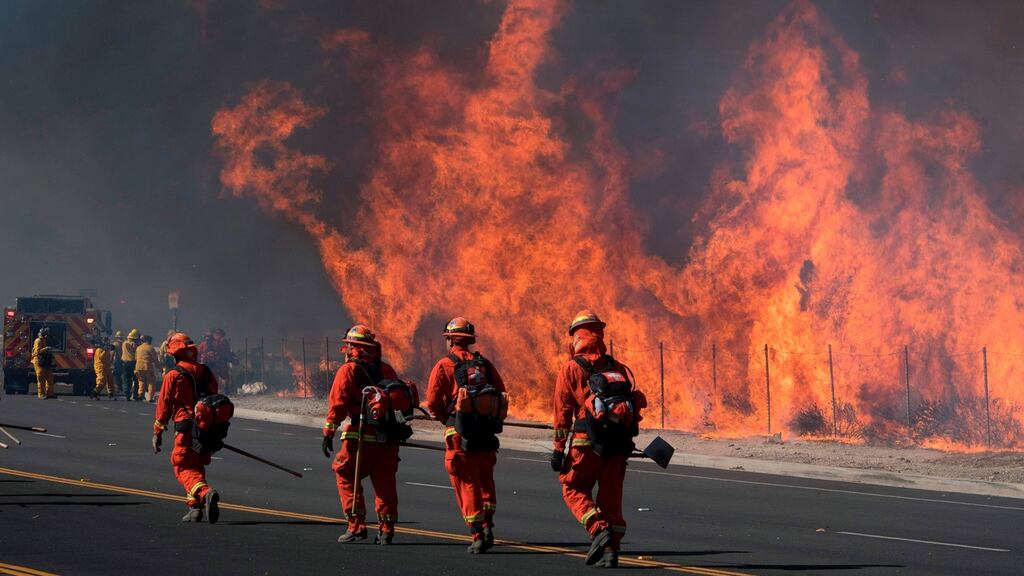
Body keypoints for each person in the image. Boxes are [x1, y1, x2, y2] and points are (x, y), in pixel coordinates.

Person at [550, 310, 647, 568]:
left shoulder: (571, 369)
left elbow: (562, 415)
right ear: (600, 334)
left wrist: (558, 450)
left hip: (585, 443)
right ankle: (611, 552)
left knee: (572, 487)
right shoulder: (618, 368)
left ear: (576, 338)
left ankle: (597, 529)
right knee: (611, 497)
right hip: (618, 445)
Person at [426, 317, 507, 554]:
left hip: (459, 433)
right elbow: (500, 392)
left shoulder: (444, 364)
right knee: (485, 478)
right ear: (470, 340)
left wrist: (445, 417)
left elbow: (432, 400)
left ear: (450, 339)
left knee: (467, 482)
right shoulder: (485, 365)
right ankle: (488, 524)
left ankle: (477, 533)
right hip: (486, 432)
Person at [321, 325, 403, 545]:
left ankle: (356, 526)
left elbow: (338, 403)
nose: (346, 349)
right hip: (387, 439)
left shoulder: (348, 370)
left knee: (346, 475)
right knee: (385, 484)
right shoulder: (386, 369)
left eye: (348, 345)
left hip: (360, 437)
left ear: (353, 347)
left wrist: (329, 432)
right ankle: (386, 531)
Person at [152, 332, 221, 523]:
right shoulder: (206, 372)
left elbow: (163, 406)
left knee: (182, 465)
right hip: (206, 429)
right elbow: (214, 397)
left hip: (185, 428)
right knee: (196, 465)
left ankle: (204, 492)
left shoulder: (173, 375)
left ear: (176, 354)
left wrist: (157, 432)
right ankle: (195, 508)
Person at [199, 328, 236, 394]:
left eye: (209, 337)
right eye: (206, 337)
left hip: (216, 363)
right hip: (207, 364)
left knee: (222, 376)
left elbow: (223, 352)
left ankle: (224, 390)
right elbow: (199, 354)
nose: (208, 339)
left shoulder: (217, 343)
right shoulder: (202, 345)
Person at [31, 327, 56, 399]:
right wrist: (46, 348)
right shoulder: (38, 341)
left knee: (50, 377)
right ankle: (41, 394)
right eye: (46, 334)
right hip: (38, 361)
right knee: (41, 378)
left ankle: (50, 394)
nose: (47, 335)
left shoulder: (44, 340)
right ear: (43, 334)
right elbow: (37, 352)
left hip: (45, 361)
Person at [135, 335, 160, 402]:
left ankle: (140, 393)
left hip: (138, 367)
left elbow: (136, 358)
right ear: (149, 341)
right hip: (147, 367)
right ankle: (150, 397)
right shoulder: (150, 348)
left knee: (141, 381)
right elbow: (155, 360)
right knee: (151, 382)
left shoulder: (138, 348)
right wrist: (159, 367)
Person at [121, 329, 140, 400]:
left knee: (126, 379)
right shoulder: (134, 344)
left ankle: (127, 394)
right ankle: (135, 395)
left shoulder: (124, 343)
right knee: (136, 379)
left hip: (124, 362)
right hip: (133, 362)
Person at [111, 330, 124, 395]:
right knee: (121, 375)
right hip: (123, 361)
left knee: (116, 375)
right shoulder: (124, 343)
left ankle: (117, 388)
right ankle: (121, 388)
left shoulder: (114, 344)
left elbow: (112, 353)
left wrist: (110, 361)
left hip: (116, 361)